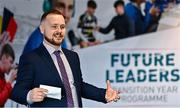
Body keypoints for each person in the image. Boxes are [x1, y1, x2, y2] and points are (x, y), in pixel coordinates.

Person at [11, 9, 120, 107]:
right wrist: (29, 96)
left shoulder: (72, 56)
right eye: (54, 26)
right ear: (42, 29)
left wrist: (103, 94)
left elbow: (79, 87)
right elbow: (17, 91)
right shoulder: (30, 58)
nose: (59, 31)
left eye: (62, 27)